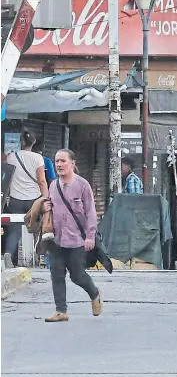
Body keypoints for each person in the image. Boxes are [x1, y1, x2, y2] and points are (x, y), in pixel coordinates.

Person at [43, 149, 103, 322]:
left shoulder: (83, 185)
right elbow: (50, 207)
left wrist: (90, 236)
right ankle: (61, 310)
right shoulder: (53, 185)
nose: (59, 165)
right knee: (56, 273)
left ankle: (95, 293)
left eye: (63, 161)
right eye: (57, 161)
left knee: (77, 275)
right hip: (56, 239)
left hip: (77, 239)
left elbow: (91, 212)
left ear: (72, 164)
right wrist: (45, 208)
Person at [4, 128, 49, 268]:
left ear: (20, 142)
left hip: (15, 199)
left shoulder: (10, 157)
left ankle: (8, 254)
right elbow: (41, 180)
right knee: (39, 225)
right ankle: (40, 253)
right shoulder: (38, 158)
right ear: (34, 142)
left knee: (15, 229)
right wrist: (46, 197)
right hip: (33, 200)